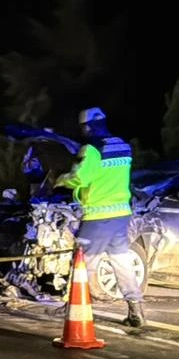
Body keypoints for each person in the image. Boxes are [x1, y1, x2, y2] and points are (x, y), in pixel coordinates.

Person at [57, 107, 145, 328]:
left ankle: (74, 307)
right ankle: (136, 309)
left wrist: (62, 179)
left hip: (98, 216)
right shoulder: (123, 146)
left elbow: (81, 178)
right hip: (121, 215)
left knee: (83, 263)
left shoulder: (93, 149)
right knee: (121, 261)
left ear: (87, 127)